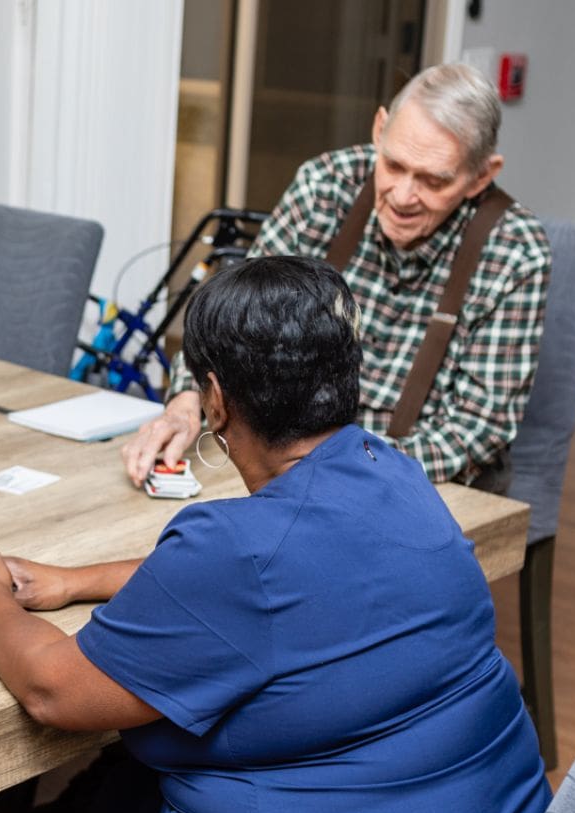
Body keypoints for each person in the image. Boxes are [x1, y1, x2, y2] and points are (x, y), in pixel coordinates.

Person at [0, 257, 552, 813]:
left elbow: (53, 692)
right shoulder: (396, 475)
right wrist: (76, 580)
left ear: (216, 400)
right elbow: (280, 584)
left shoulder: (236, 549)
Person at [124, 62, 552, 491]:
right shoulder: (325, 187)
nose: (403, 196)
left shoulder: (513, 252)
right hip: (288, 465)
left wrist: (332, 470)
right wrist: (185, 402)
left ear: (482, 175)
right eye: (394, 164)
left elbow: (477, 427)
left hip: (422, 487)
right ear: (380, 128)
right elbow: (232, 324)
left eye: (433, 181)